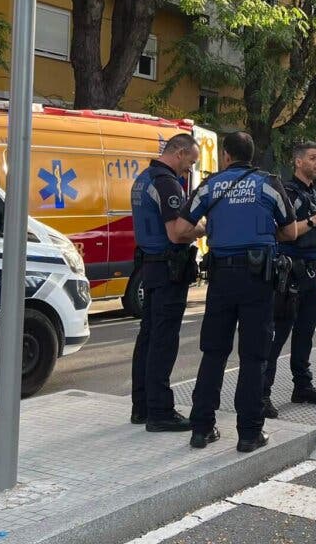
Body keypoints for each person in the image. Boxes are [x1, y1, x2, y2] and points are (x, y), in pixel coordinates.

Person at [174, 132, 299, 453]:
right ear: (251, 155)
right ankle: (249, 433)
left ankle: (201, 429)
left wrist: (210, 229)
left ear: (226, 155)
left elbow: (181, 230)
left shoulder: (211, 185)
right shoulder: (269, 183)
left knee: (213, 352)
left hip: (221, 277)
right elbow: (290, 231)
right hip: (258, 278)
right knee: (254, 356)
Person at [129, 134, 206, 432]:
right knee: (163, 340)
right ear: (180, 152)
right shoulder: (167, 182)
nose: (189, 171)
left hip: (150, 266)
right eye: (190, 164)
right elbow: (177, 233)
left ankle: (142, 406)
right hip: (167, 268)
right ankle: (161, 411)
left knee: (148, 337)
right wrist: (201, 228)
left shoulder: (143, 178)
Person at [263, 142, 316, 418]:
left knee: (305, 332)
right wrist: (315, 220)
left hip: (312, 270)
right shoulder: (288, 192)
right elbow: (283, 233)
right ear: (297, 162)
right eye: (313, 158)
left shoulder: (314, 192)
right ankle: (263, 393)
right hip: (291, 271)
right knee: (279, 333)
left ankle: (302, 385)